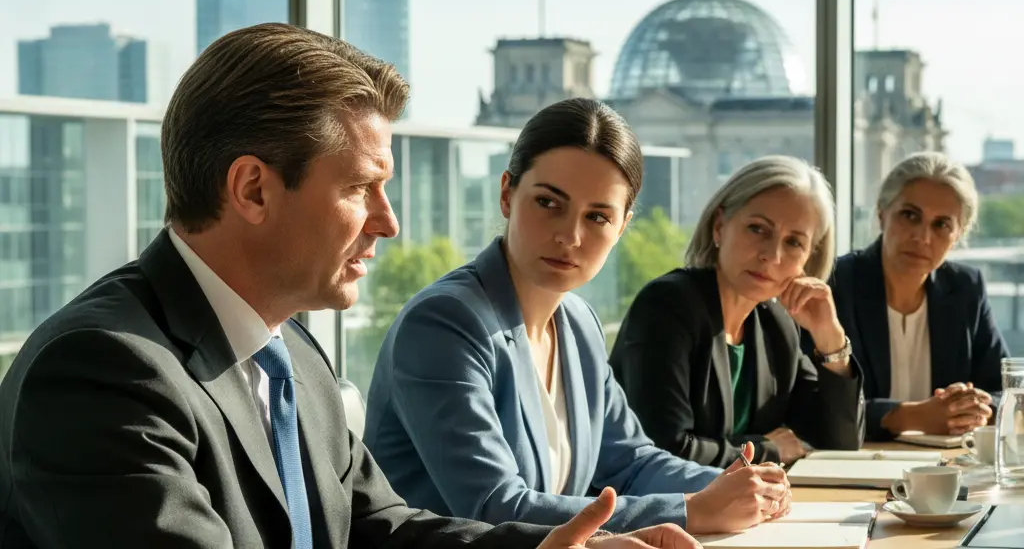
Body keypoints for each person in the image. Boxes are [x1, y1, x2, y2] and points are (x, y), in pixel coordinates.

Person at [0, 23, 701, 549]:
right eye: (363, 188)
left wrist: (550, 545)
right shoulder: (104, 371)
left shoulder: (292, 354)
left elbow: (378, 527)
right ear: (252, 188)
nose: (389, 223)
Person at [364, 98, 793, 537]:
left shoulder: (578, 322)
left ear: (622, 226)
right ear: (507, 194)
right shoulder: (444, 323)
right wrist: (692, 509)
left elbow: (630, 462)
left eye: (597, 217)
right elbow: (494, 507)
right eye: (549, 203)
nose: (569, 236)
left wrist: (738, 486)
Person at [609, 156, 866, 469]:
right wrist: (765, 449)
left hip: (734, 510)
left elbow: (839, 442)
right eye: (758, 229)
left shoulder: (776, 323)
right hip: (648, 512)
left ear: (808, 259)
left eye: (794, 242)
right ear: (720, 227)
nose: (771, 255)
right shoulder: (667, 306)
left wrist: (830, 340)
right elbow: (664, 449)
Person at [822, 152, 1007, 441]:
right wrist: (912, 415)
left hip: (943, 467)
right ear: (882, 213)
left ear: (957, 235)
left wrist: (975, 408)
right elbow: (814, 405)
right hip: (855, 461)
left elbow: (1002, 391)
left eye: (941, 225)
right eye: (910, 216)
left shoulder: (965, 288)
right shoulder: (835, 284)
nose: (922, 237)